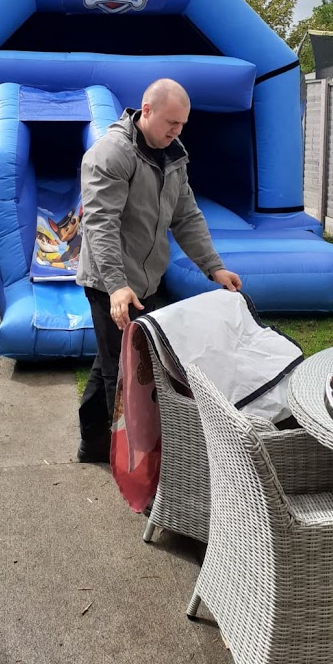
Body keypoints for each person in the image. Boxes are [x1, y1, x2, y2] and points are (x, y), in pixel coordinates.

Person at [76, 78, 242, 463]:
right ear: (145, 111)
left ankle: (94, 444)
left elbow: (187, 216)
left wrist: (214, 268)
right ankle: (133, 462)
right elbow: (100, 223)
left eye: (182, 124)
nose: (177, 130)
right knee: (126, 372)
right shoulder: (112, 154)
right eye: (171, 122)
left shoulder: (173, 156)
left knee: (111, 360)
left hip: (146, 278)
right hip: (110, 282)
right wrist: (117, 286)